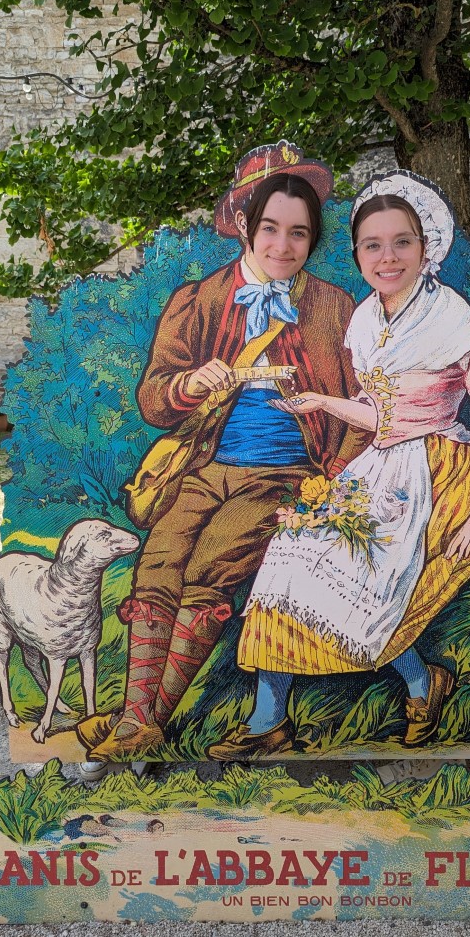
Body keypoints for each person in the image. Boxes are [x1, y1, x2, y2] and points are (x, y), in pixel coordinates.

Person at [208, 170, 470, 760]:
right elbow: (378, 414)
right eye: (372, 245)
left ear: (426, 246)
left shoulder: (460, 324)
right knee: (287, 560)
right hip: (379, 464)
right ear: (357, 253)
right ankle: (270, 719)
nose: (388, 258)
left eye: (401, 242)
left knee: (371, 581)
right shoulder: (364, 320)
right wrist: (322, 403)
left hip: (441, 473)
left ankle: (421, 683)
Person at [77, 142, 371, 762]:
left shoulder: (335, 308)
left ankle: (138, 723)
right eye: (270, 229)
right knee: (158, 564)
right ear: (243, 223)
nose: (283, 246)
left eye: (299, 233)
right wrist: (187, 385)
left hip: (284, 475)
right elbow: (154, 398)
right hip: (204, 467)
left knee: (209, 569)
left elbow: (361, 406)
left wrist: (333, 477)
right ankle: (139, 719)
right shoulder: (201, 299)